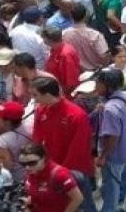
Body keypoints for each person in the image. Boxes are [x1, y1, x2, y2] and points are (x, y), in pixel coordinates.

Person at [30, 76, 95, 210]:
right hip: (51, 168)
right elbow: (36, 141)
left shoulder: (76, 115)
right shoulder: (41, 111)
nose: (33, 99)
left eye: (35, 95)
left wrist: (62, 173)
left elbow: (79, 149)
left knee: (83, 204)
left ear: (47, 94)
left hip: (74, 170)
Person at [94, 68, 126, 212]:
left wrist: (103, 156)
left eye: (98, 84)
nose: (96, 87)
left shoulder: (110, 109)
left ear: (107, 86)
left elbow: (113, 136)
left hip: (116, 156)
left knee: (111, 190)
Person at [19, 143, 84, 212]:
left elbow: (78, 198)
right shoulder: (30, 173)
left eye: (32, 163)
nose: (27, 167)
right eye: (23, 164)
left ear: (43, 158)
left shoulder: (60, 174)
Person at [0, 100, 31, 182]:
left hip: (16, 180)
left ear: (6, 122)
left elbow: (7, 166)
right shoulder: (30, 129)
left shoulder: (2, 141)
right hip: (32, 173)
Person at [41, 26, 81, 96]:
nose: (42, 39)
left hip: (63, 94)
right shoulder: (55, 49)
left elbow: (70, 83)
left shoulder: (65, 55)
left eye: (43, 37)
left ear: (49, 40)